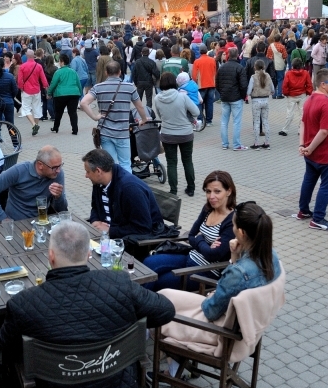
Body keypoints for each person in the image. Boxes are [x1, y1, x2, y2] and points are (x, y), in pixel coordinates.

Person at [0, 221, 174, 388]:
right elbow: (166, 311)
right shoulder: (119, 283)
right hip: (117, 384)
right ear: (89, 254)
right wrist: (125, 321)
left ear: (51, 256)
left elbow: (6, 346)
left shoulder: (23, 303)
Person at [158, 202, 281, 349]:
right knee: (165, 295)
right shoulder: (272, 257)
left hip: (221, 331)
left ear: (241, 233)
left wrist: (210, 295)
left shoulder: (239, 273)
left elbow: (211, 311)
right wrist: (235, 255)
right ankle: (175, 367)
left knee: (161, 315)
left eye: (233, 226)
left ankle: (173, 369)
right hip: (245, 324)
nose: (232, 229)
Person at [144, 171, 236, 292]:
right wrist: (205, 246)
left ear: (228, 191)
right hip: (190, 257)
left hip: (206, 273)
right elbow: (191, 235)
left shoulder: (232, 220)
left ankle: (144, 307)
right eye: (208, 191)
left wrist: (200, 239)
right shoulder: (208, 208)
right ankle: (140, 304)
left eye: (217, 191)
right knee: (148, 263)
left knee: (157, 281)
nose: (211, 196)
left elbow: (214, 255)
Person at [294, 68, 328, 231]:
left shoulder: (309, 99)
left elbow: (303, 123)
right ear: (323, 84)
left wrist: (303, 145)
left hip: (311, 153)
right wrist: (309, 147)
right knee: (327, 185)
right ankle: (318, 218)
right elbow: (325, 130)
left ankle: (303, 210)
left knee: (309, 180)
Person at [79, 62, 150, 172]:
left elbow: (83, 103)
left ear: (106, 73)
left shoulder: (98, 87)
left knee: (111, 164)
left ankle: (113, 186)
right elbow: (139, 106)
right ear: (120, 72)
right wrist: (144, 119)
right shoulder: (129, 87)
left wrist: (95, 117)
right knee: (125, 163)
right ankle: (126, 187)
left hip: (105, 132)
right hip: (123, 132)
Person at [83, 148, 165, 239]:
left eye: (88, 172)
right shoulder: (98, 182)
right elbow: (95, 207)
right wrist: (95, 221)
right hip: (106, 236)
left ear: (98, 171)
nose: (86, 175)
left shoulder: (130, 189)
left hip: (132, 243)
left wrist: (110, 230)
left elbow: (143, 228)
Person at [0, 145, 67, 221]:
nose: (58, 170)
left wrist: (58, 197)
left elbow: (62, 210)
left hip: (41, 222)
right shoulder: (19, 170)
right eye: (55, 167)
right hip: (17, 222)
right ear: (40, 165)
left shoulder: (57, 174)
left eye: (60, 165)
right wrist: (2, 218)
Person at [154, 72, 199, 196]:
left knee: (171, 162)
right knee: (187, 161)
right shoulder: (182, 97)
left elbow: (159, 115)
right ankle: (191, 188)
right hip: (186, 133)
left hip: (168, 134)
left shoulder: (157, 98)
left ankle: (173, 190)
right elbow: (196, 111)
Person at [216, 47, 249, 150]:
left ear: (228, 54)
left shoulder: (222, 67)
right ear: (237, 54)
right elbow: (244, 85)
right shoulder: (239, 68)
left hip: (225, 97)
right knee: (236, 121)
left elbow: (217, 82)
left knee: (224, 121)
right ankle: (236, 144)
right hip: (236, 98)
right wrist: (243, 96)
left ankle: (224, 144)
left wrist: (221, 93)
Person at [47, 53, 83, 135]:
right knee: (73, 113)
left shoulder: (58, 72)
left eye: (59, 61)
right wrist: (80, 93)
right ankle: (75, 129)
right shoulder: (73, 72)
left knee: (58, 112)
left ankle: (55, 128)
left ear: (62, 62)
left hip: (60, 95)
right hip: (74, 94)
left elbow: (53, 84)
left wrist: (49, 93)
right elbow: (78, 83)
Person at [16, 49, 48, 136]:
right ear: (33, 56)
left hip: (26, 90)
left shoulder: (23, 66)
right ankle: (36, 125)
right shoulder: (38, 66)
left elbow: (20, 80)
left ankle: (34, 125)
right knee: (37, 108)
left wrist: (21, 88)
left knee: (26, 108)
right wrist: (46, 87)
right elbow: (43, 78)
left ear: (26, 56)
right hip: (37, 90)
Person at [279, 57, 313, 137]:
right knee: (302, 113)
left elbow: (285, 85)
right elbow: (309, 84)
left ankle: (285, 130)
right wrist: (308, 92)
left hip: (291, 95)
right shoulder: (305, 73)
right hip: (302, 94)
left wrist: (286, 93)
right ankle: (301, 130)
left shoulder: (289, 73)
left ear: (293, 65)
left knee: (289, 113)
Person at [247, 59, 274, 150]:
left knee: (257, 122)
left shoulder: (253, 77)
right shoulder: (268, 76)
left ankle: (256, 143)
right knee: (266, 121)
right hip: (266, 100)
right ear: (264, 67)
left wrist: (250, 94)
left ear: (255, 67)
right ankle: (267, 142)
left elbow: (248, 91)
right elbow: (273, 89)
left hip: (256, 101)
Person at [192, 44, 217, 125]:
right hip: (211, 84)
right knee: (209, 103)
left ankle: (200, 120)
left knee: (200, 103)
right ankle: (209, 121)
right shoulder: (212, 60)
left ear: (199, 51)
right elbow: (215, 72)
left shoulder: (197, 61)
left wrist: (196, 82)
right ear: (206, 51)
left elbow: (194, 76)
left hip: (201, 85)